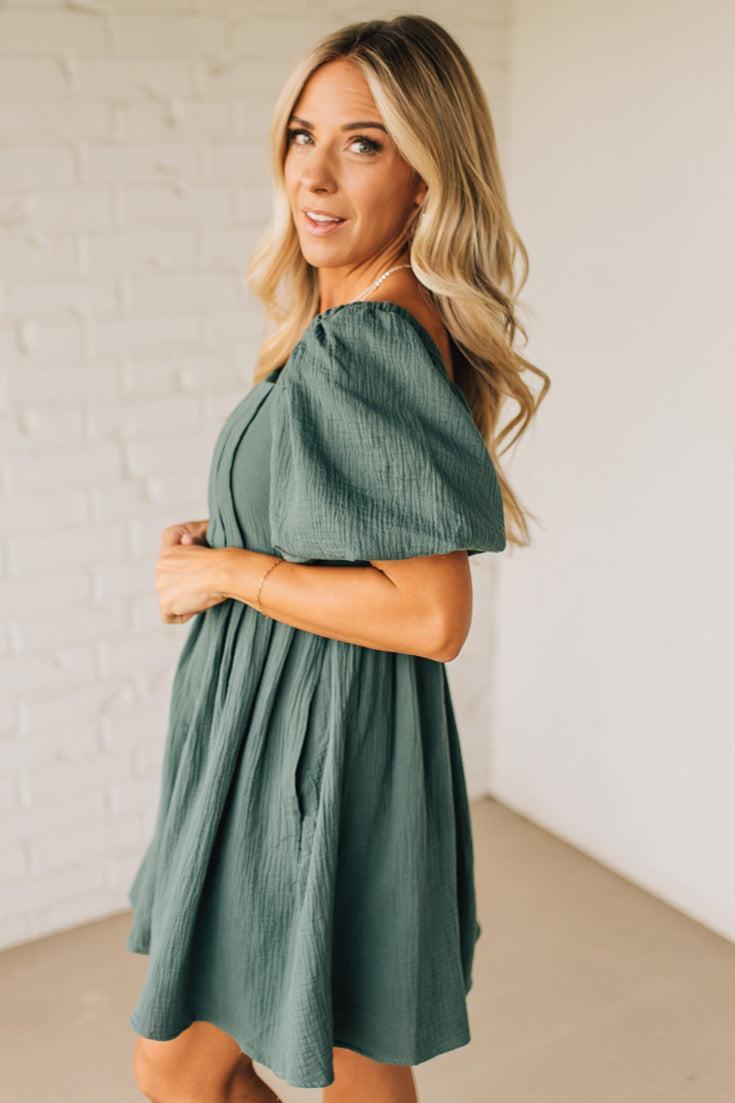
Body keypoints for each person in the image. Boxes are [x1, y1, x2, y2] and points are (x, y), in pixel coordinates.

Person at [126, 14, 548, 1103]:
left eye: (362, 143)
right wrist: (233, 532)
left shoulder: (365, 338)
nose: (314, 173)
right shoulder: (365, 313)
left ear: (425, 173)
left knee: (177, 1067)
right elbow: (357, 517)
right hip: (339, 726)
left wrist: (228, 576)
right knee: (358, 1043)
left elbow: (431, 612)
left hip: (306, 744)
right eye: (302, 134)